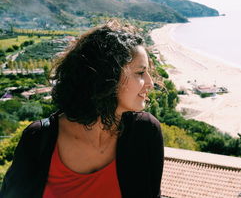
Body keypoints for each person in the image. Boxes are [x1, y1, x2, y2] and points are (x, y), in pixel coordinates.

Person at [0, 21, 164, 198]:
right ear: (107, 77)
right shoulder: (39, 139)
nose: (150, 83)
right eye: (140, 73)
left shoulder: (145, 132)